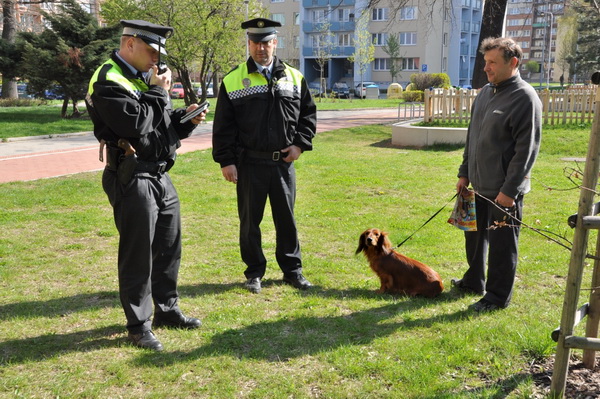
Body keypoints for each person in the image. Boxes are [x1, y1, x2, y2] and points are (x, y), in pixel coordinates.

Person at [85, 20, 206, 351]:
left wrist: (187, 120)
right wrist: (159, 91)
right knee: (137, 254)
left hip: (159, 173)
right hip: (131, 174)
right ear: (130, 45)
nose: (157, 60)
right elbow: (134, 124)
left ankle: (166, 309)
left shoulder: (143, 79)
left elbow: (159, 127)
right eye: (152, 51)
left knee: (168, 247)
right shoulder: (108, 78)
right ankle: (138, 324)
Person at [212, 18, 317, 294]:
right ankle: (254, 272)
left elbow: (308, 115)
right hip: (249, 164)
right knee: (250, 223)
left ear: (275, 43)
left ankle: (292, 271)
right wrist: (226, 160)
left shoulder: (294, 77)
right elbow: (223, 125)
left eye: (266, 42)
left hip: (283, 163)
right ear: (249, 44)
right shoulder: (234, 80)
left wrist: (299, 145)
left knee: (287, 220)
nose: (261, 48)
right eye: (255, 43)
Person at [453, 37, 542, 312]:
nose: (486, 68)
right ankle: (474, 281)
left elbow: (526, 150)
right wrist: (464, 173)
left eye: (492, 62)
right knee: (473, 236)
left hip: (504, 191)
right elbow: (473, 137)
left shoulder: (525, 97)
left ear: (513, 62)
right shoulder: (485, 93)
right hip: (477, 186)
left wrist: (509, 190)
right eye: (485, 61)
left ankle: (496, 297)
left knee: (503, 247)